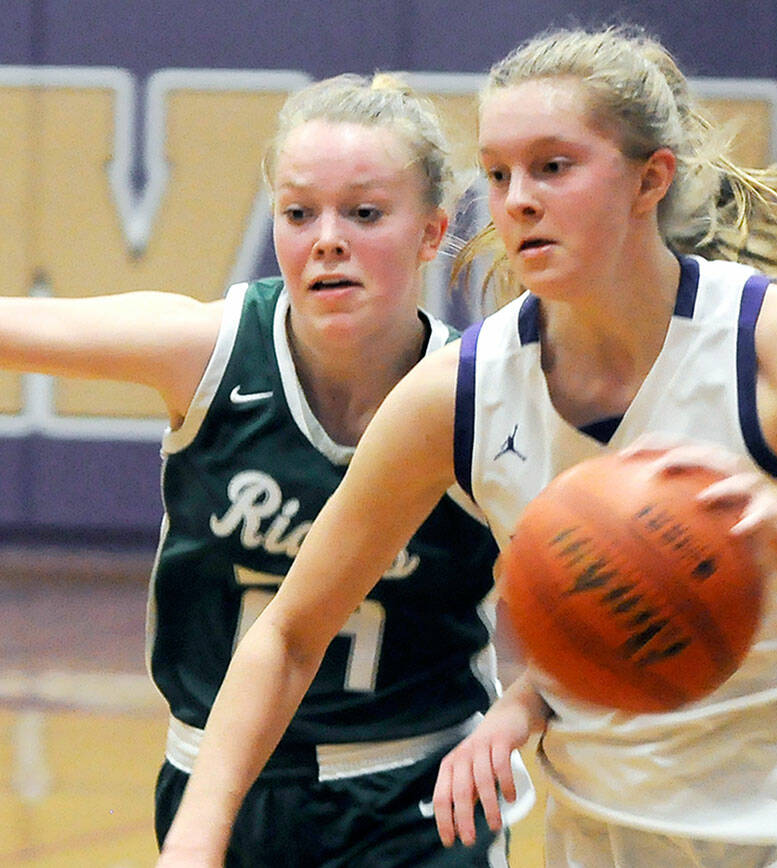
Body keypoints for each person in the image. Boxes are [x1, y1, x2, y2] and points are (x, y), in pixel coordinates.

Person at [157, 25, 777, 868]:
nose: (518, 198)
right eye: (498, 174)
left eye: (553, 166)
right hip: (606, 831)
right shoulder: (460, 391)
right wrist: (198, 840)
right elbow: (288, 635)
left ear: (651, 178)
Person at [0, 73, 532, 865]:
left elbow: (579, 597)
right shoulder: (209, 353)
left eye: (364, 213)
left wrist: (517, 714)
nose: (327, 238)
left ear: (431, 233)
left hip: (414, 784)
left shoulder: (484, 396)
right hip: (219, 775)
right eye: (298, 212)